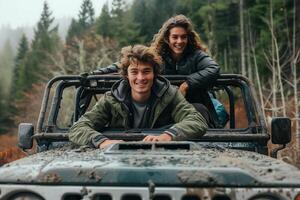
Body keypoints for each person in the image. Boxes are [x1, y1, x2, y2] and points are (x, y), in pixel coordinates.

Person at [95, 15, 224, 127]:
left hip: (191, 105)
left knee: (198, 111)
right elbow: (129, 63)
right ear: (167, 38)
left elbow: (213, 68)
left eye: (183, 37)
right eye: (175, 37)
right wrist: (98, 73)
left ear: (188, 38)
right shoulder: (157, 55)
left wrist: (187, 84)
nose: (179, 41)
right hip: (164, 107)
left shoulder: (197, 55)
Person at [69, 45, 208, 149]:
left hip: (162, 154)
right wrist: (103, 142)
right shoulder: (112, 98)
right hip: (118, 157)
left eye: (146, 71)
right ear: (126, 75)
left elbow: (196, 121)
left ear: (155, 74)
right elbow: (78, 128)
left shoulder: (170, 95)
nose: (140, 78)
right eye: (134, 72)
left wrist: (167, 136)